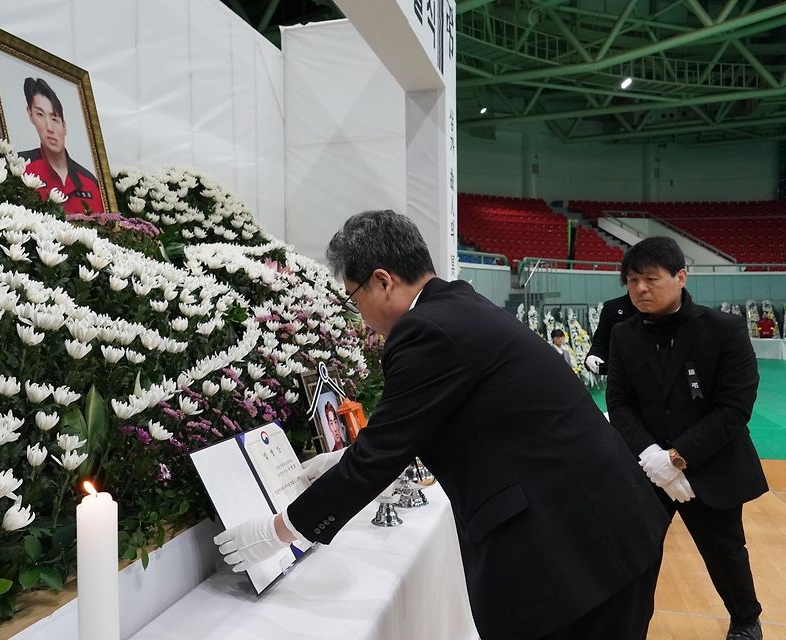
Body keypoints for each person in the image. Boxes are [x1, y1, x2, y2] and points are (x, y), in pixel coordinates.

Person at [214, 210, 669, 640]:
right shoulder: (457, 305)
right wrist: (341, 458)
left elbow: (381, 456)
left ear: (382, 281)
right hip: (606, 531)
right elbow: (449, 419)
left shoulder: (424, 330)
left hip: (575, 556)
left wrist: (278, 531)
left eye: (354, 298)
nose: (360, 316)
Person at [606, 237, 768, 640]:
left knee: (725, 551)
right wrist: (652, 457)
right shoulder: (623, 334)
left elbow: (734, 408)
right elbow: (620, 403)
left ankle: (746, 619)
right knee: (636, 554)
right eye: (631, 280)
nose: (640, 288)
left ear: (680, 277)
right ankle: (630, 626)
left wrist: (676, 458)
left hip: (711, 465)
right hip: (647, 467)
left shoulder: (723, 329)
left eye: (650, 279)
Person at [20, 77, 105, 214]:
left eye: (54, 119)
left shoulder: (90, 182)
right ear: (31, 115)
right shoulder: (20, 167)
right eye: (40, 115)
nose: (49, 127)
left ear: (64, 126)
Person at [585, 293, 637, 375]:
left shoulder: (662, 309)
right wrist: (594, 355)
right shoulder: (612, 307)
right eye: (633, 280)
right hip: (620, 377)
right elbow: (601, 341)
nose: (640, 287)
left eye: (650, 279)